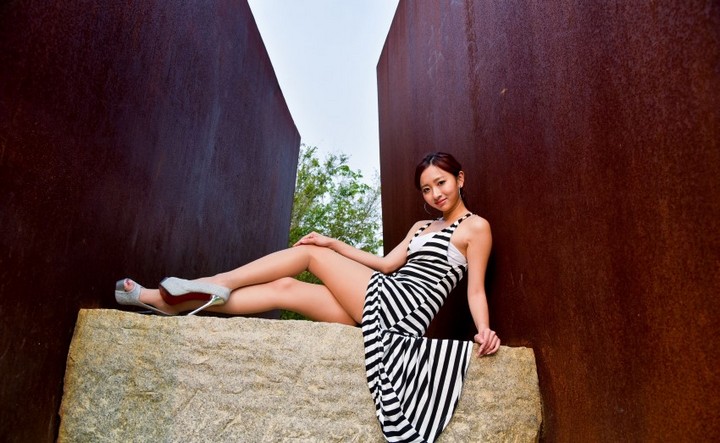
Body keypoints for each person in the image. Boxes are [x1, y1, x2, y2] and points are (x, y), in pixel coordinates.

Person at [115, 152, 500, 442]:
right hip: (382, 302)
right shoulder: (421, 226)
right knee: (285, 289)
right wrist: (334, 243)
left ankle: (216, 281)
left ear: (460, 178)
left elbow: (475, 289)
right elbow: (385, 264)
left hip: (401, 308)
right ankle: (161, 301)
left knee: (310, 255)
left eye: (441, 183)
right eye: (427, 189)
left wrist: (483, 329)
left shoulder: (476, 228)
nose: (435, 194)